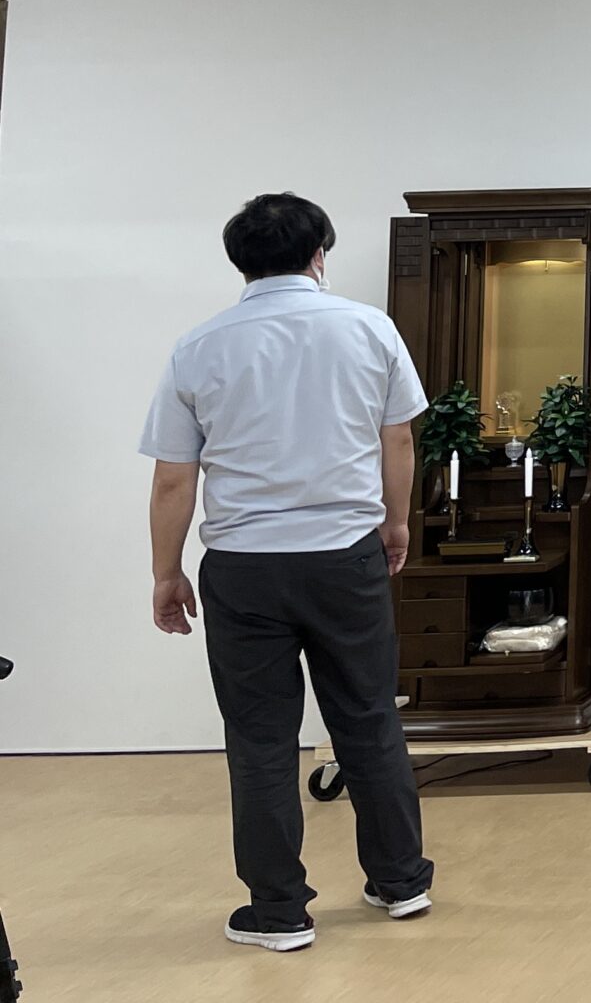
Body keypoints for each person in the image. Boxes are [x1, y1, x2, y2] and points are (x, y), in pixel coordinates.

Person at [140, 193, 435, 953]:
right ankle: (401, 881)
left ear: (241, 261)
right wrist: (395, 523)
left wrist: (166, 573)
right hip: (345, 556)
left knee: (261, 739)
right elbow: (396, 439)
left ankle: (278, 913)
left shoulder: (199, 346)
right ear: (320, 253)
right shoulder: (367, 327)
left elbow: (177, 479)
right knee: (369, 717)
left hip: (243, 569)